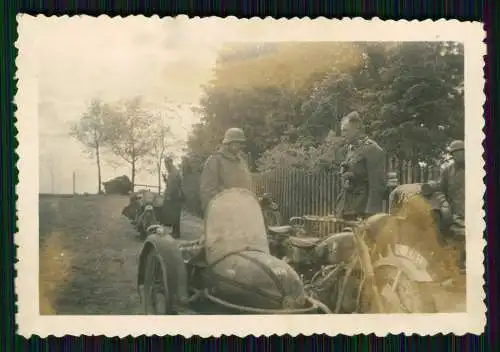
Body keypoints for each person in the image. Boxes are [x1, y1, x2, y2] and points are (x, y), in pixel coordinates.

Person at [335, 111, 386, 221]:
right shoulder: (351, 149)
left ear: (357, 129)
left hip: (362, 211)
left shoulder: (372, 149)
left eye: (345, 130)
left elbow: (377, 185)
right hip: (347, 208)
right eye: (342, 131)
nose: (343, 134)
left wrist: (371, 215)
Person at [199, 127, 253, 214]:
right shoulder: (215, 160)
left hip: (241, 213)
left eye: (240, 143)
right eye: (236, 143)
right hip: (222, 213)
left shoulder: (242, 161)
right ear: (228, 143)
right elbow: (207, 191)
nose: (239, 146)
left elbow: (247, 187)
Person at [438, 140, 465, 270]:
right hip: (453, 212)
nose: (459, 155)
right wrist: (444, 203)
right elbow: (441, 191)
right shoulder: (447, 171)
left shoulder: (477, 167)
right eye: (455, 153)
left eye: (461, 152)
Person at [160, 156, 185, 238]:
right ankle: (175, 232)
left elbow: (173, 186)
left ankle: (176, 233)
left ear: (169, 163)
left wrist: (168, 195)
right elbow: (170, 184)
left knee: (175, 215)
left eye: (166, 164)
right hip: (176, 195)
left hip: (176, 196)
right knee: (175, 215)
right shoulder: (173, 172)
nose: (166, 166)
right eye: (165, 164)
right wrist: (165, 179)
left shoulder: (174, 172)